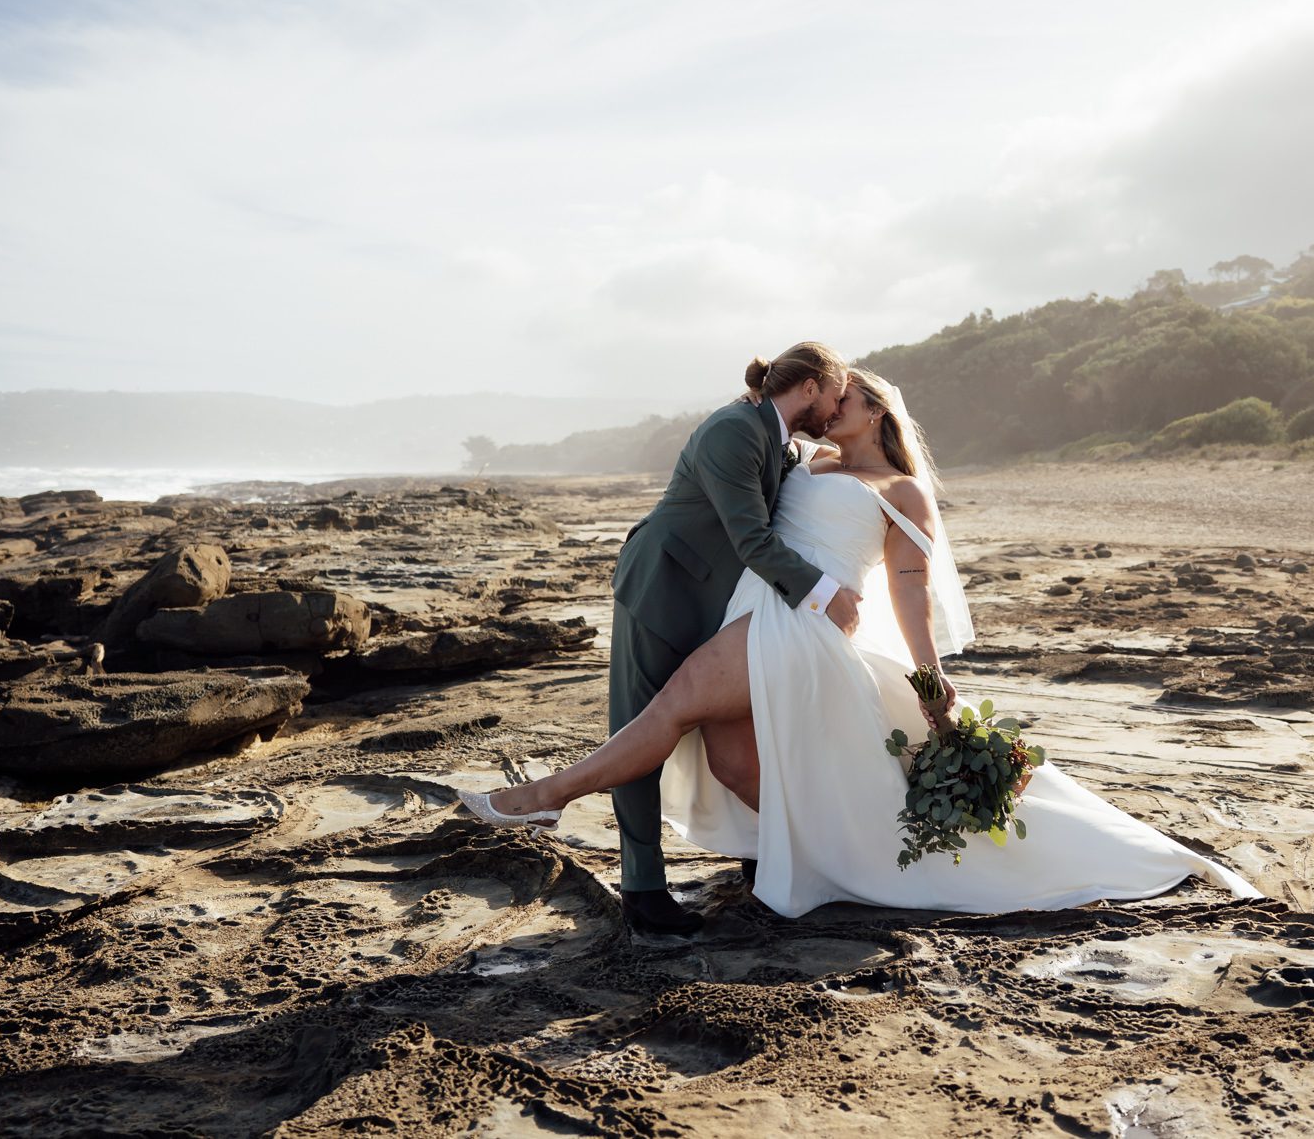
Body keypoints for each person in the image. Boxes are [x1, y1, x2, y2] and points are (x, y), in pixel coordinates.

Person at [461, 368, 1259, 923]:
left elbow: (908, 593)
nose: (835, 403)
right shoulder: (806, 457)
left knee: (670, 710)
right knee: (737, 765)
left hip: (797, 629)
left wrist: (931, 680)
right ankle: (845, 854)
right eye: (833, 393)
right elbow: (751, 450)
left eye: (851, 396)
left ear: (879, 411)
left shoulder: (900, 490)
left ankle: (542, 797)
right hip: (756, 611)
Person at [568, 342, 864, 936]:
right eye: (835, 394)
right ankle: (644, 891)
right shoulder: (733, 430)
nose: (835, 408)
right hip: (662, 588)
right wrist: (825, 592)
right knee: (638, 732)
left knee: (744, 738)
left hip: (721, 608)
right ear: (810, 386)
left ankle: (760, 853)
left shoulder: (778, 437)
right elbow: (752, 536)